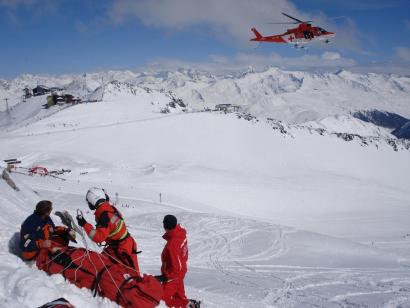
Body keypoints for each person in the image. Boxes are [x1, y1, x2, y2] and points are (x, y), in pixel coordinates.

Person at [76, 187, 140, 275]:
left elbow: (98, 237)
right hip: (120, 245)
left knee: (132, 275)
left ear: (92, 201)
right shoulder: (109, 208)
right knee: (101, 264)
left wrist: (84, 224)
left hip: (122, 249)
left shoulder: (104, 216)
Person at [156, 214, 191, 308]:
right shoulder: (180, 234)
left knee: (161, 301)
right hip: (179, 273)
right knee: (179, 297)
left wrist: (165, 277)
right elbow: (183, 255)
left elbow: (177, 266)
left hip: (174, 275)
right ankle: (187, 304)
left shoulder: (173, 243)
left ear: (165, 226)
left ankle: (190, 305)